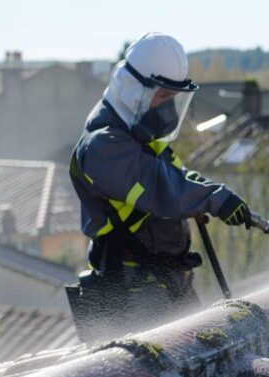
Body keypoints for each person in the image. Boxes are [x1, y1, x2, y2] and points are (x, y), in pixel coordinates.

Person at [66, 32, 250, 342]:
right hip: (132, 292)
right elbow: (161, 189)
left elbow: (176, 176)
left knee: (205, 354)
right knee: (167, 370)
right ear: (134, 88)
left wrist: (218, 196)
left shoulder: (139, 134)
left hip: (165, 282)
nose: (168, 109)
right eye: (164, 97)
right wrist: (213, 200)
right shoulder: (104, 146)